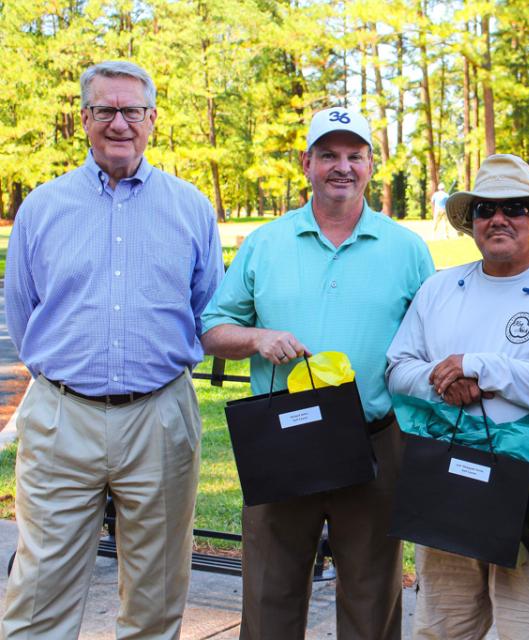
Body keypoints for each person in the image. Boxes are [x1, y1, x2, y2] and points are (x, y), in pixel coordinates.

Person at [2, 60, 223, 639]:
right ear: (84, 119)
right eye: (105, 110)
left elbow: (206, 310)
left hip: (160, 417)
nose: (118, 122)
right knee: (39, 591)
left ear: (152, 119)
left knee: (156, 591)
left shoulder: (191, 207)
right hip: (60, 415)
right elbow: (23, 314)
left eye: (131, 110)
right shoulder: (43, 208)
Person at [200, 106, 433, 640]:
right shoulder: (266, 242)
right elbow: (213, 327)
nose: (342, 166)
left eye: (355, 155)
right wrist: (258, 337)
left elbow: (432, 341)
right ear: (305, 163)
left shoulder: (406, 249)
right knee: (268, 591)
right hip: (284, 441)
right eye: (328, 154)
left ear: (373, 165)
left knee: (372, 596)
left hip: (375, 442)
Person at [386, 154, 529, 640]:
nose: (498, 218)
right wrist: (446, 380)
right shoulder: (440, 288)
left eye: (516, 208)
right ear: (471, 222)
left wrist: (482, 369)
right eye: (485, 209)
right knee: (443, 633)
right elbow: (398, 370)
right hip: (447, 499)